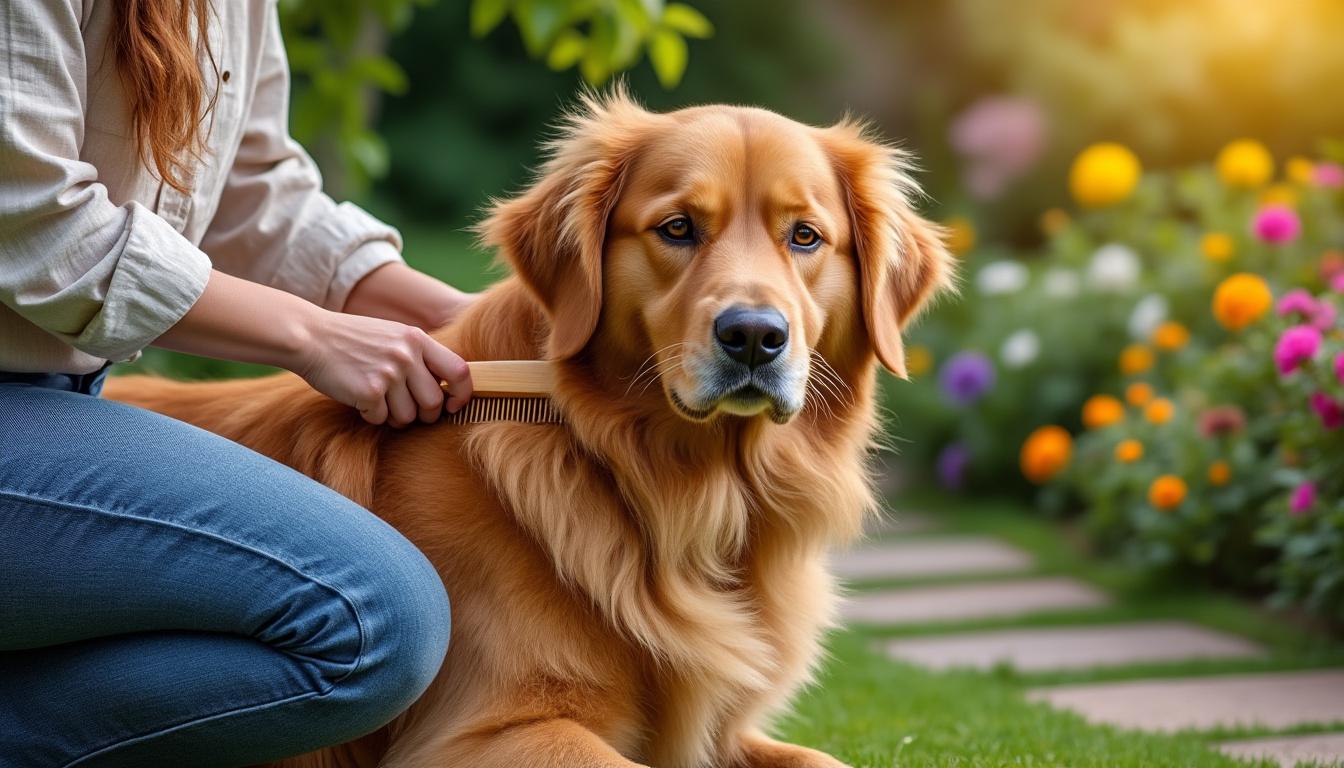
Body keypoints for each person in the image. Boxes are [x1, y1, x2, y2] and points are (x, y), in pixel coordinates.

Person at [0, 2, 472, 764]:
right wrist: (314, 338)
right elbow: (38, 227)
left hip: (55, 406)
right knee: (372, 619)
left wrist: (461, 317)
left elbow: (253, 193)